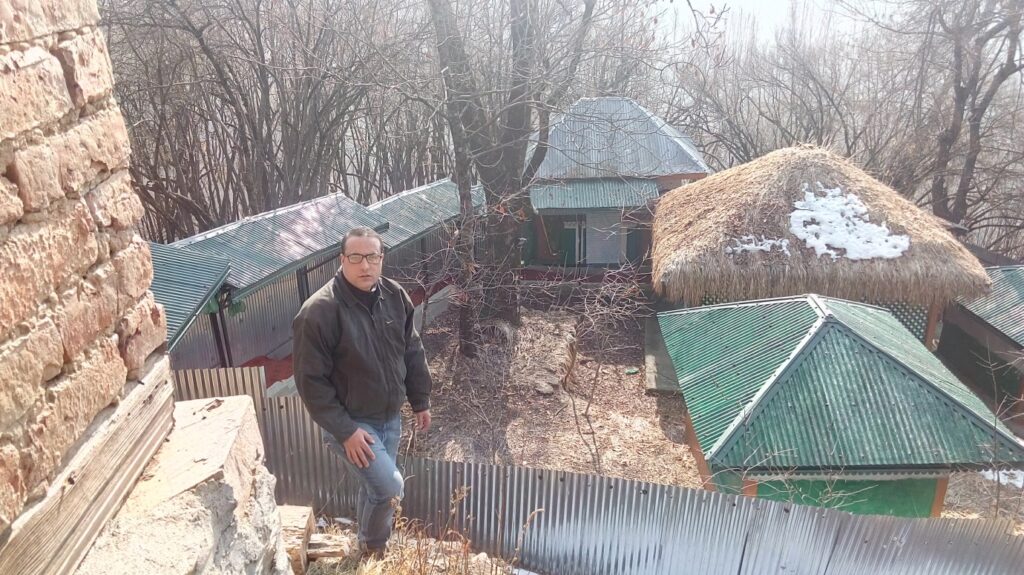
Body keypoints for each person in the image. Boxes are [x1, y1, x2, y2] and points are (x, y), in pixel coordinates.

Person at [292, 226, 432, 557]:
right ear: (342, 260)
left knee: (376, 487)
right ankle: (373, 550)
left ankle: (365, 545)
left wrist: (420, 399)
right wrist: (345, 431)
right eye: (356, 257)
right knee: (390, 488)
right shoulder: (319, 311)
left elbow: (411, 349)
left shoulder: (394, 296)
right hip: (352, 422)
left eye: (372, 257)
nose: (365, 265)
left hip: (390, 417)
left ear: (382, 258)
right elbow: (310, 382)